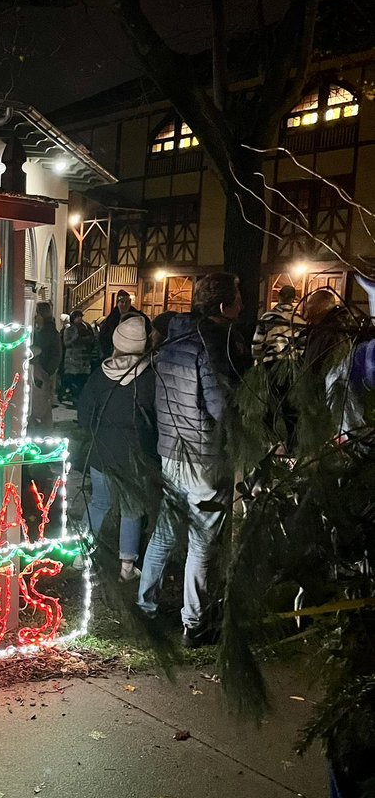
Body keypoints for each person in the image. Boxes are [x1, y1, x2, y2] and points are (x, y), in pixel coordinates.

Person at [136, 272, 247, 646]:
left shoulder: (173, 341)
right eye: (238, 298)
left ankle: (144, 605)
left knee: (165, 533)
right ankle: (194, 624)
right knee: (201, 543)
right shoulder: (211, 345)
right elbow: (219, 405)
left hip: (171, 452)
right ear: (222, 307)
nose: (242, 305)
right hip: (203, 458)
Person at [78, 316, 157, 581]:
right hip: (134, 455)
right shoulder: (149, 378)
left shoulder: (100, 375)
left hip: (102, 452)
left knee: (99, 502)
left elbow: (84, 416)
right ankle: (126, 566)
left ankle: (81, 552)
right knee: (132, 508)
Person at [304, 287, 358, 374]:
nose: (306, 306)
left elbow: (332, 368)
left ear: (321, 307)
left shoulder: (335, 332)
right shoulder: (318, 328)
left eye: (310, 303)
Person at [251, 285, 305, 365]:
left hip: (268, 363)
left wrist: (257, 361)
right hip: (291, 366)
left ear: (278, 296)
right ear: (293, 299)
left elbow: (257, 343)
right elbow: (302, 347)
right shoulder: (300, 321)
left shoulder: (267, 317)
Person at [29, 301, 62, 430]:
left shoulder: (46, 331)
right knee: (44, 405)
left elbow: (41, 350)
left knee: (41, 405)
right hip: (46, 371)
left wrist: (45, 371)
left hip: (42, 372)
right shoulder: (48, 329)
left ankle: (42, 431)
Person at [98, 290, 151, 359]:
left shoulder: (138, 317)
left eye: (127, 302)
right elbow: (103, 335)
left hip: (133, 351)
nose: (124, 305)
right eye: (122, 302)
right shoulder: (111, 318)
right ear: (118, 303)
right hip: (113, 352)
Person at [60, 309, 96, 405]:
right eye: (77, 316)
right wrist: (76, 337)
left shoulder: (86, 327)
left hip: (83, 358)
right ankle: (67, 392)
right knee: (70, 377)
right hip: (72, 359)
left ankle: (77, 396)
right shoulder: (69, 329)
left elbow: (92, 339)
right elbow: (66, 342)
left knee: (81, 379)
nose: (80, 318)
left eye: (81, 316)